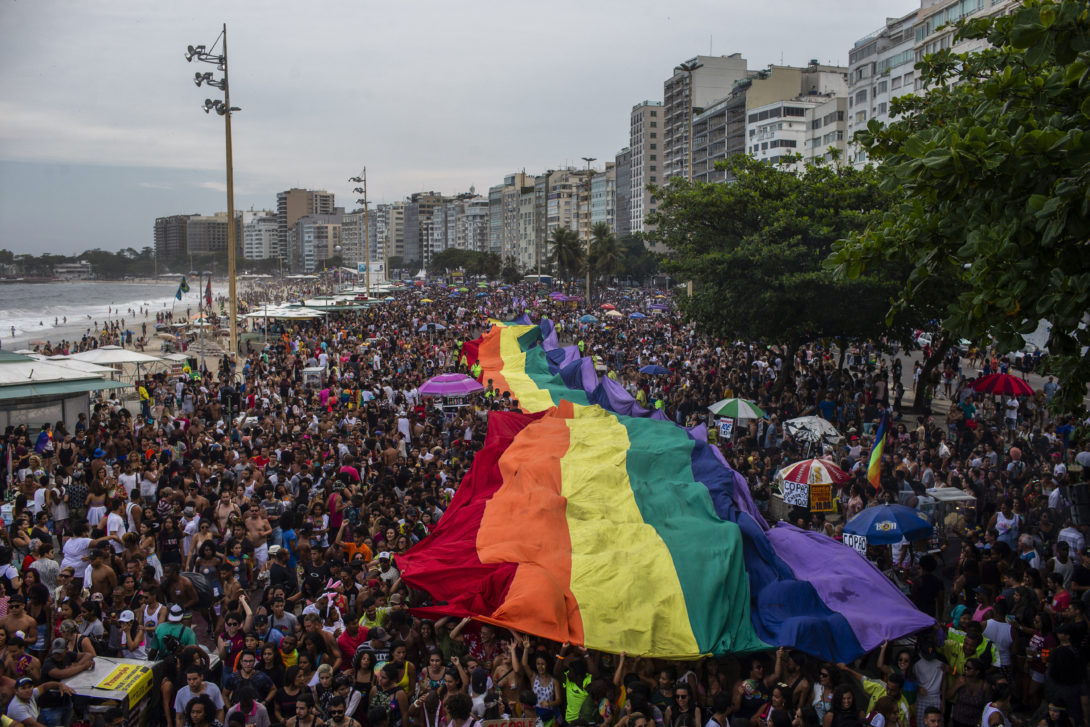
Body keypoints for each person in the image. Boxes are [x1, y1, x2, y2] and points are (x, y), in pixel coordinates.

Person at [8, 676, 76, 727]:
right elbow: (33, 724)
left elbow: (44, 686)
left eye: (29, 687)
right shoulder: (17, 708)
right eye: (23, 688)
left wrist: (59, 684)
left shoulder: (31, 694)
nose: (27, 690)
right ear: (16, 691)